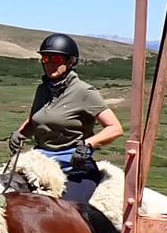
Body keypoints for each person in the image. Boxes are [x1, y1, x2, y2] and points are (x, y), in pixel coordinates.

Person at [8, 33, 124, 203]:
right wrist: (20, 134)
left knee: (66, 209)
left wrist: (87, 145)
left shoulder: (84, 92)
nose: (50, 63)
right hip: (41, 163)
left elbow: (115, 128)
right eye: (46, 58)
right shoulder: (43, 90)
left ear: (71, 62)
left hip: (74, 166)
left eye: (57, 59)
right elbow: (36, 119)